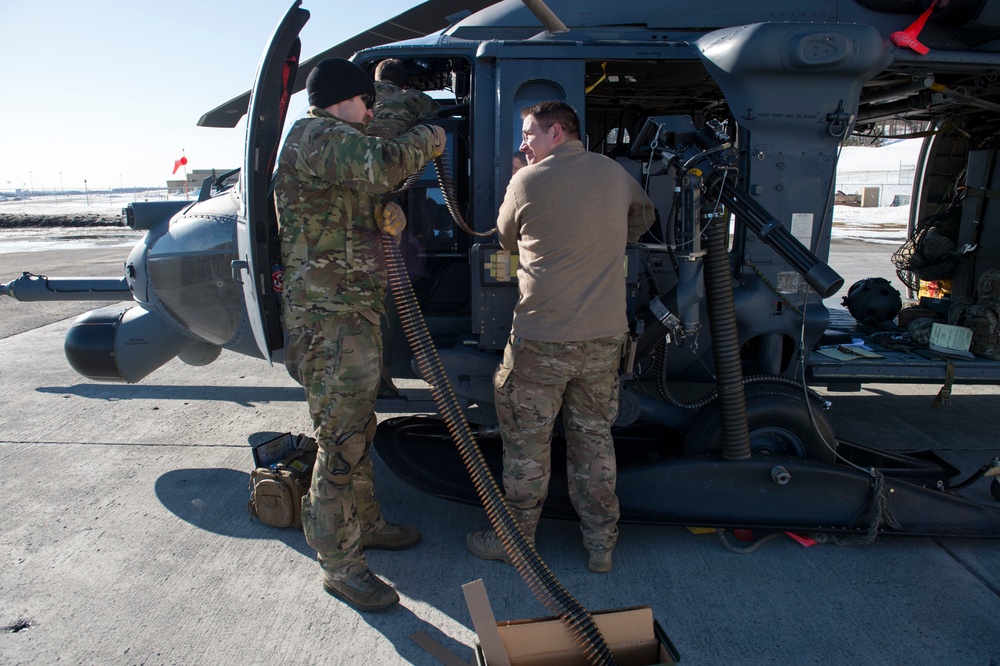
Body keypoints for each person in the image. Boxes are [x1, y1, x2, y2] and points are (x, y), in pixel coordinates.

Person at [275, 57, 446, 612]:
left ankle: (366, 525)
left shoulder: (332, 143)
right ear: (344, 99)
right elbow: (382, 163)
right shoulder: (316, 135)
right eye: (366, 102)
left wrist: (384, 212)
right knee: (340, 445)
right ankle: (339, 565)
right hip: (330, 321)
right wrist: (430, 136)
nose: (372, 111)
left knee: (357, 429)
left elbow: (361, 193)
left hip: (351, 311)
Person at [466, 101, 654, 573]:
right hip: (605, 339)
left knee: (528, 446)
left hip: (543, 339)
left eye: (528, 134)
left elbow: (507, 240)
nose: (523, 144)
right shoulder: (613, 173)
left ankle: (517, 544)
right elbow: (644, 216)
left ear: (555, 131)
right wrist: (604, 239)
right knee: (593, 441)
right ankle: (600, 545)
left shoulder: (527, 181)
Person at [367, 58, 441, 140]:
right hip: (398, 150)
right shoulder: (417, 97)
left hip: (361, 150)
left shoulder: (359, 95)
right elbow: (441, 120)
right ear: (404, 86)